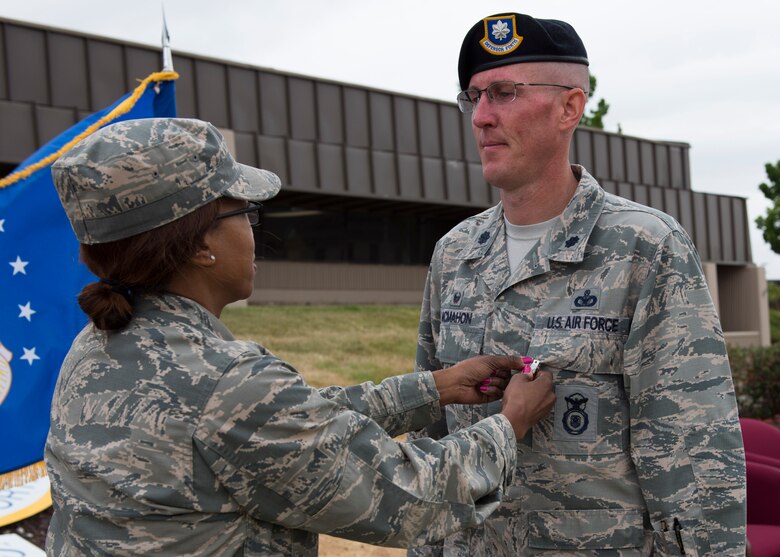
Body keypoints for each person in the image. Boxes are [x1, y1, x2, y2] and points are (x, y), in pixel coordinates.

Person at [43, 117, 556, 556]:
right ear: (201, 244)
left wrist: (436, 389)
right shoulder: (226, 382)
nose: (253, 227)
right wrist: (509, 423)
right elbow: (411, 494)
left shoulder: (94, 348)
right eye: (243, 210)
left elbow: (291, 423)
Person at [409, 12, 746, 557]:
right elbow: (429, 422)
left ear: (570, 107)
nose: (482, 117)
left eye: (504, 92)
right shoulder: (456, 254)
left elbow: (693, 453)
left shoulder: (645, 246)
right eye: (473, 97)